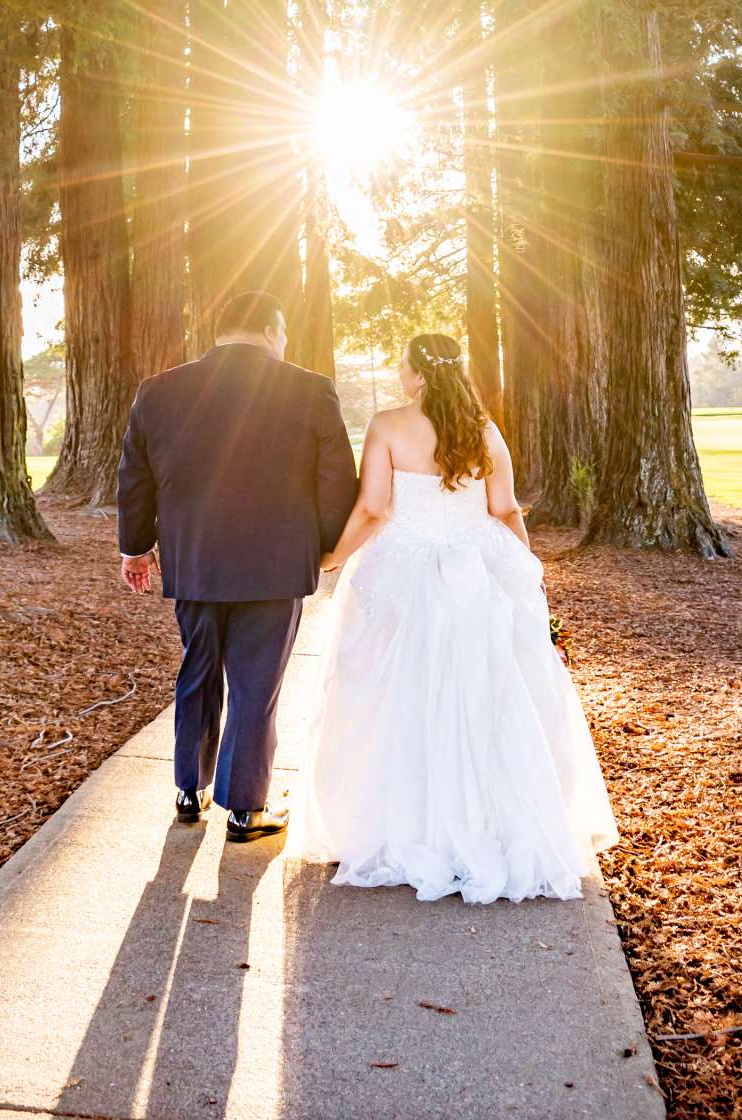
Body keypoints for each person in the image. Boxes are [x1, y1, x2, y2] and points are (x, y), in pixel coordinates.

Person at [295, 331, 616, 903]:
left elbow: (372, 507)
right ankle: (491, 827)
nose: (398, 372)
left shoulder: (389, 424)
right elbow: (505, 509)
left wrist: (331, 558)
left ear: (414, 371)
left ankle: (398, 823)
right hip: (478, 568)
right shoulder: (484, 430)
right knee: (483, 693)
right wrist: (526, 575)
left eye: (400, 363)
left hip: (401, 568)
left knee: (392, 690)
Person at [116, 291, 357, 842]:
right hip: (274, 564)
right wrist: (323, 548)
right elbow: (336, 478)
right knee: (256, 683)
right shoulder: (310, 389)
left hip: (194, 559)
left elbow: (135, 477)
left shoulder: (159, 391)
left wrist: (135, 548)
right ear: (273, 331)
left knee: (197, 670)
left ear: (220, 331)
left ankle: (188, 790)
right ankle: (246, 809)